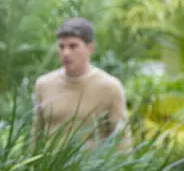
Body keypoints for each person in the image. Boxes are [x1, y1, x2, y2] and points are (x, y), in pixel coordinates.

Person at [32, 17, 132, 151]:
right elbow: (36, 135)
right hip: (50, 170)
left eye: (73, 46)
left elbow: (121, 139)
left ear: (90, 48)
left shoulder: (109, 87)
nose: (66, 53)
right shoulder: (43, 84)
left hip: (90, 169)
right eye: (62, 47)